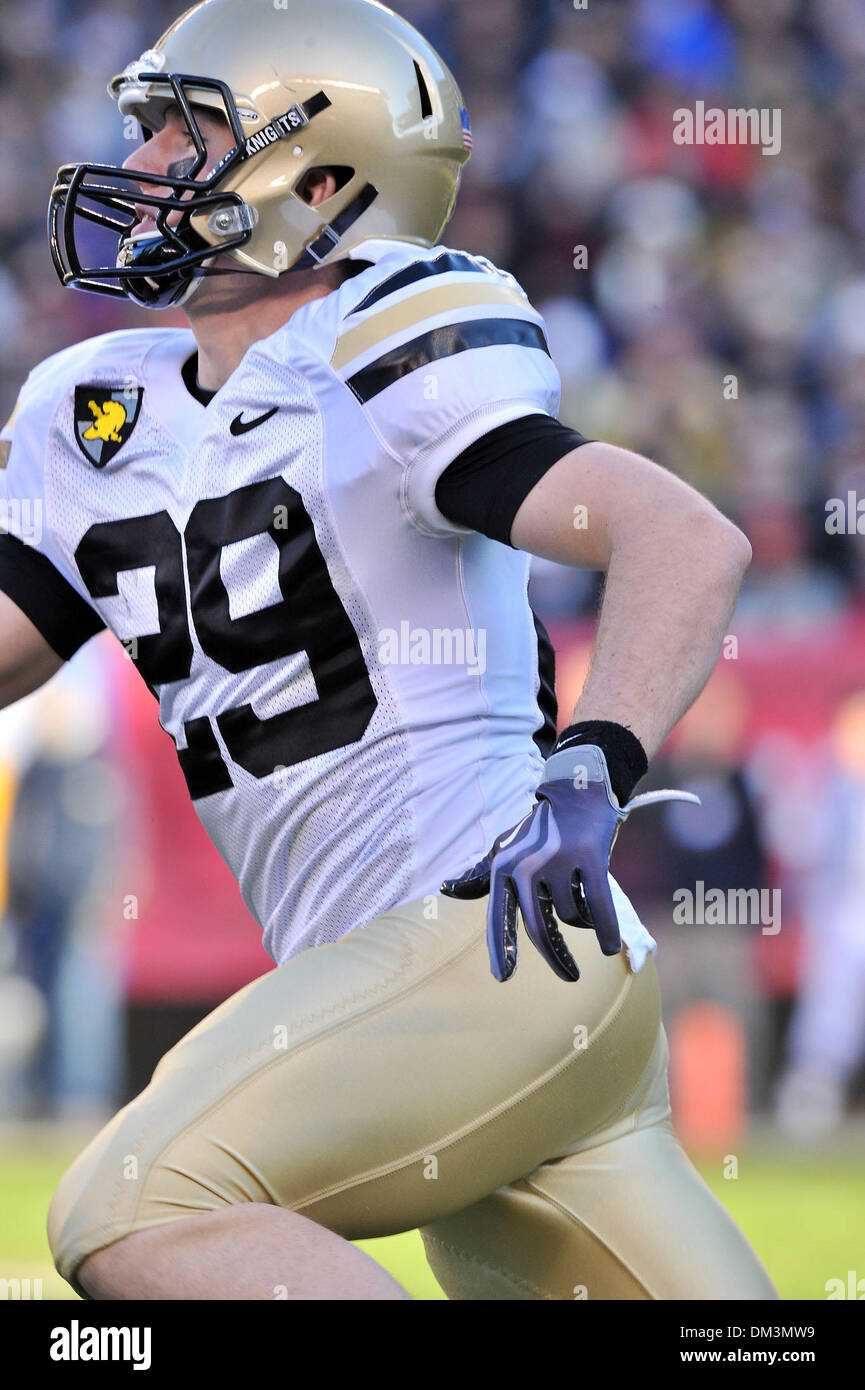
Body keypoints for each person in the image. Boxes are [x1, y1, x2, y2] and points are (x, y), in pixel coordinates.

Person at [0, 0, 775, 1299]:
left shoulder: (379, 338)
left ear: (319, 181)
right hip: (462, 1009)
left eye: (185, 131)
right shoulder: (94, 409)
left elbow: (682, 538)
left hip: (483, 943)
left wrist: (588, 767)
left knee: (133, 1207)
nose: (140, 167)